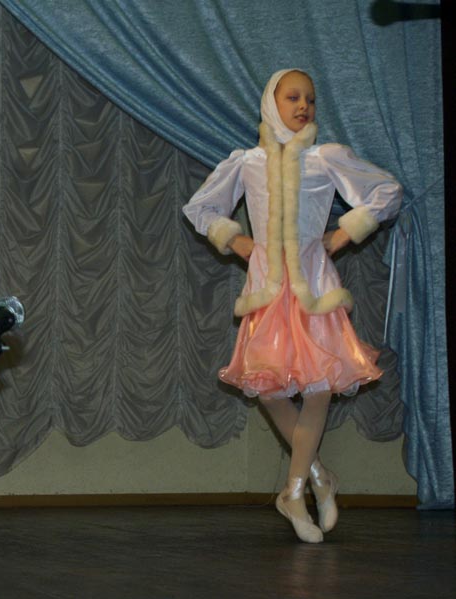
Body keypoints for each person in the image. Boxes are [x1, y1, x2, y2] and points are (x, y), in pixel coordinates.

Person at [182, 69, 402, 543]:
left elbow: (386, 191)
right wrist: (238, 241)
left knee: (319, 387)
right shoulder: (248, 162)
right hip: (267, 288)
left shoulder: (326, 157)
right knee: (269, 391)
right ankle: (320, 476)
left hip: (313, 285)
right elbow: (200, 207)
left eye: (310, 99)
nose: (303, 106)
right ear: (272, 103)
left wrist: (344, 233)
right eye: (293, 97)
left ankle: (293, 490)